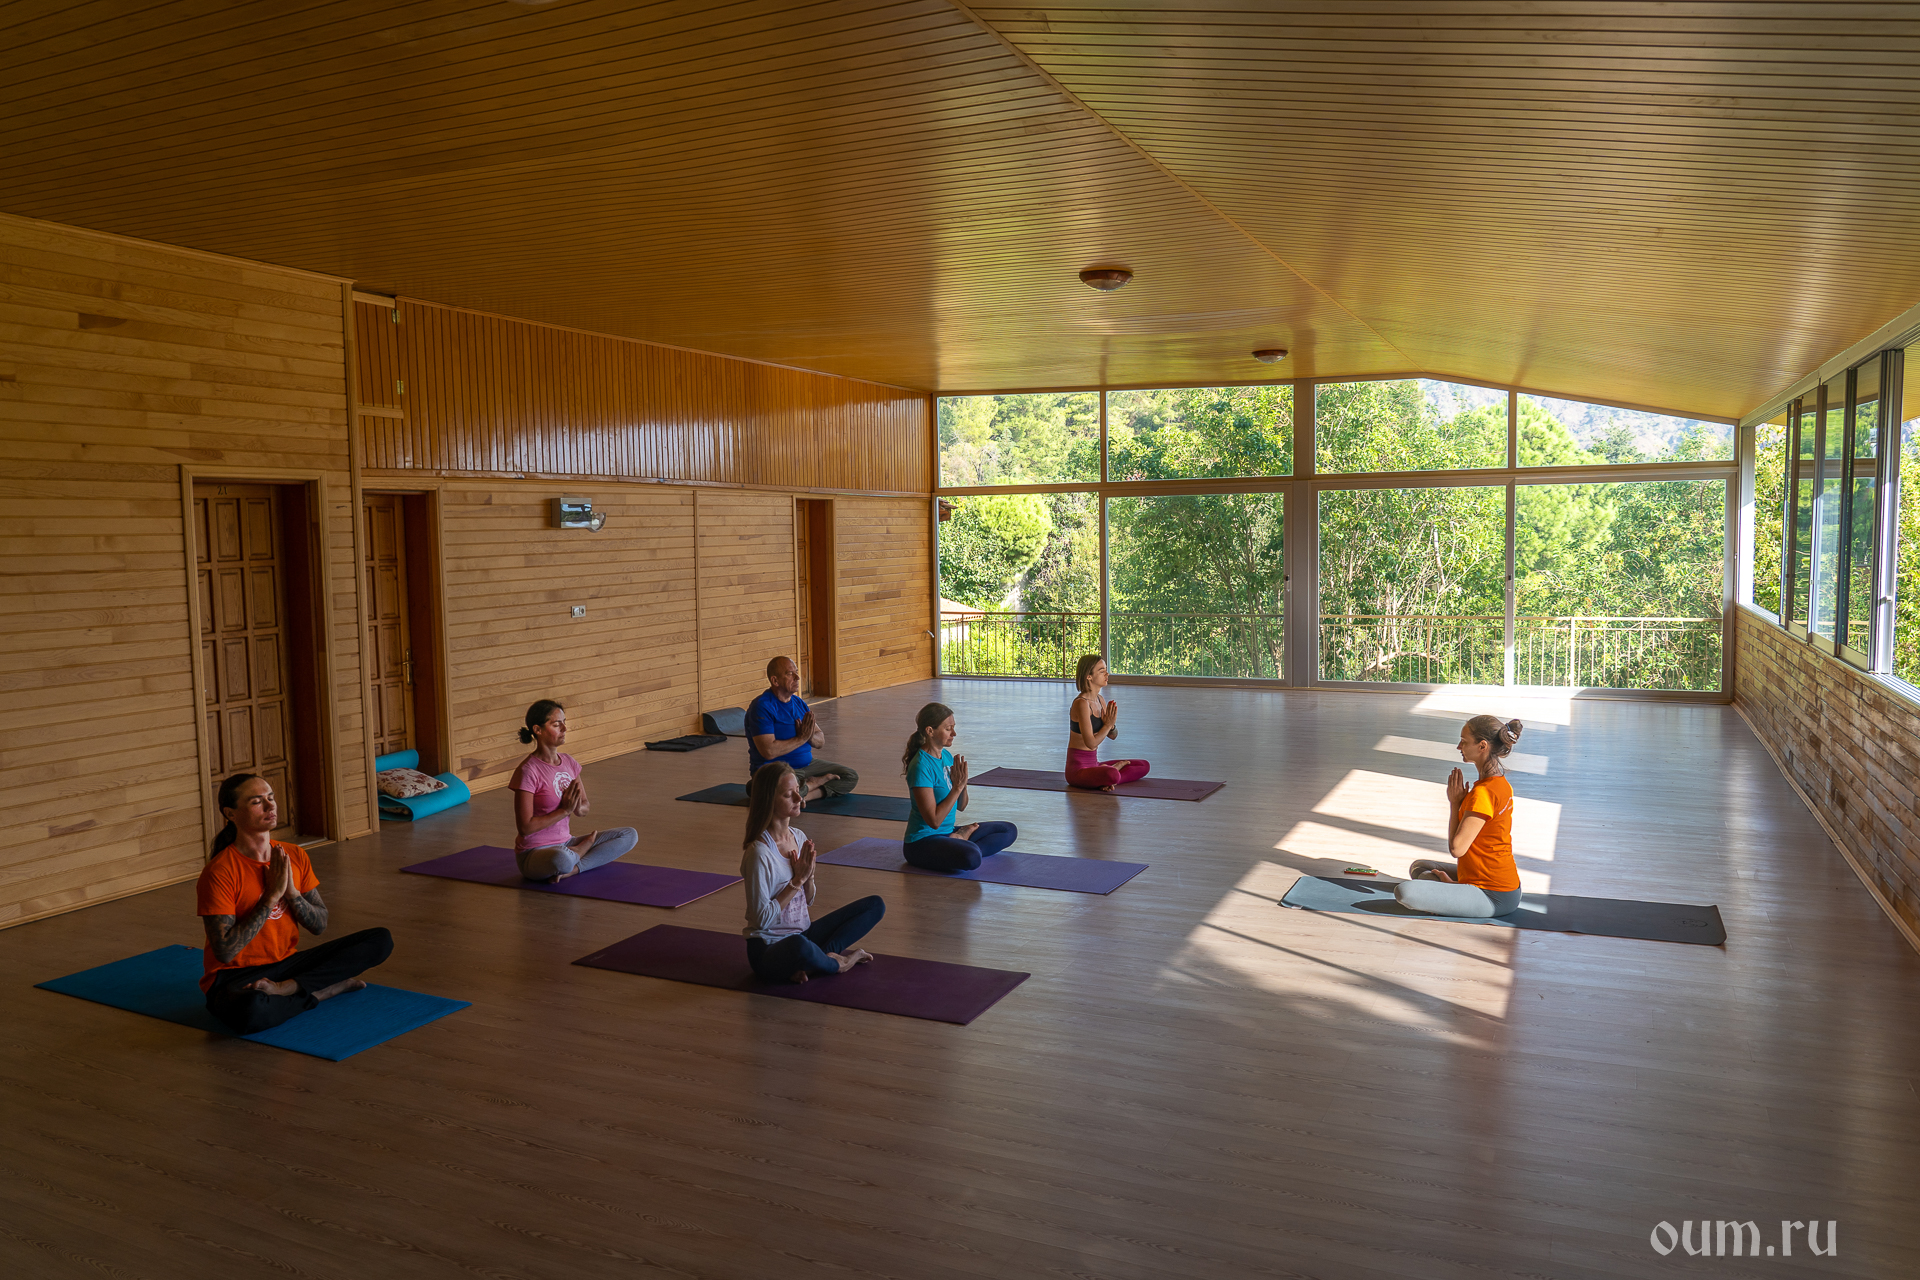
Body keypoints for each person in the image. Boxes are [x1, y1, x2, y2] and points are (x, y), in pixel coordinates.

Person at [197, 773, 394, 1034]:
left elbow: (320, 925)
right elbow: (224, 952)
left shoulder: (293, 855)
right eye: (257, 801)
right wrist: (271, 896)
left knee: (380, 940)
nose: (270, 806)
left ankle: (290, 988)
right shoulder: (220, 872)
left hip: (287, 965)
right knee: (251, 1012)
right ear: (230, 814)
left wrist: (292, 893)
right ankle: (321, 991)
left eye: (271, 797)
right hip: (235, 976)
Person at [740, 762, 885, 983]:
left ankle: (812, 963)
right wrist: (797, 881)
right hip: (770, 948)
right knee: (799, 946)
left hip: (803, 934)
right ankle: (838, 963)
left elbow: (807, 900)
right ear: (769, 800)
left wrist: (809, 878)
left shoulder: (798, 837)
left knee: (875, 905)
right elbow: (761, 920)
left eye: (798, 791)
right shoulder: (759, 853)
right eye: (789, 795)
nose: (799, 798)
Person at [1395, 716, 1526, 918]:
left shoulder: (1483, 793)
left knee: (1404, 892)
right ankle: (1455, 892)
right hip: (1508, 886)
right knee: (1419, 868)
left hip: (1492, 896)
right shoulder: (1501, 784)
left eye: (1464, 741)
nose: (1459, 746)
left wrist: (1455, 803)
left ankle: (1456, 892)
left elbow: (1457, 849)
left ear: (1482, 746)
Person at [511, 699, 639, 883]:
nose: (564, 729)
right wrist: (564, 811)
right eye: (557, 724)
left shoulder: (569, 762)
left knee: (629, 835)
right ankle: (579, 852)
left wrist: (578, 807)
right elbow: (525, 828)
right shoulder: (528, 771)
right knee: (560, 859)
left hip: (566, 842)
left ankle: (573, 869)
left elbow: (584, 807)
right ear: (537, 730)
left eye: (564, 722)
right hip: (535, 852)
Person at [902, 702, 1017, 871]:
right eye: (948, 729)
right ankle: (963, 842)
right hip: (922, 843)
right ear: (930, 731)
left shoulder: (947, 757)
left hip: (948, 833)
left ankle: (959, 840)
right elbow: (934, 821)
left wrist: (963, 784)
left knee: (1008, 830)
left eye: (953, 728)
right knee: (971, 857)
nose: (954, 733)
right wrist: (956, 787)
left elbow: (961, 806)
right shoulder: (921, 766)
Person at [746, 656, 858, 804]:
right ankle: (811, 784)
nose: (797, 677)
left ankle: (804, 795)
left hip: (807, 766)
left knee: (850, 776)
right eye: (790, 674)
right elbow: (769, 751)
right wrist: (801, 738)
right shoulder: (762, 706)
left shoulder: (798, 703)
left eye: (797, 672)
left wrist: (809, 736)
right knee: (775, 787)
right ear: (775, 681)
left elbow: (820, 740)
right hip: (776, 770)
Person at [1065, 653, 1150, 791]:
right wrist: (1108, 725)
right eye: (1101, 671)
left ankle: (1107, 779)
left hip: (1095, 765)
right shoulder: (1081, 703)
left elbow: (1113, 735)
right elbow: (1091, 743)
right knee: (1111, 774)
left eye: (1106, 670)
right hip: (1078, 771)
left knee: (1143, 765)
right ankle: (1111, 774)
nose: (1107, 674)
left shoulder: (1100, 700)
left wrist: (1111, 725)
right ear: (1089, 676)